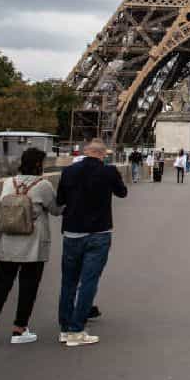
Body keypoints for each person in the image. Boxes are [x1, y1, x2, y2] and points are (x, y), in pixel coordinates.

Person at [0, 148, 62, 346]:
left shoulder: (8, 182)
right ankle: (19, 329)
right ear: (39, 164)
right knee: (28, 287)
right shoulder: (43, 185)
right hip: (32, 244)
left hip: (5, 242)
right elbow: (56, 210)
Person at [56, 138, 127, 347]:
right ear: (102, 154)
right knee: (88, 281)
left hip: (72, 232)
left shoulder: (68, 172)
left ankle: (65, 328)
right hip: (99, 233)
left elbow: (60, 201)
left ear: (85, 152)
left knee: (68, 282)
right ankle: (77, 330)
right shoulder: (109, 171)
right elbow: (122, 193)